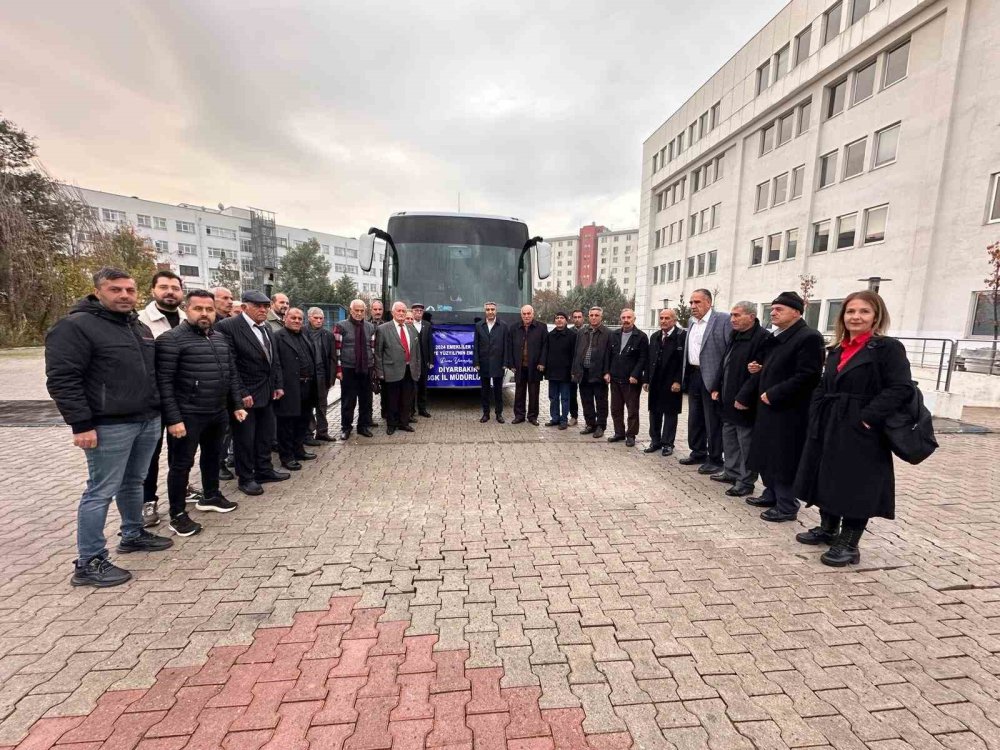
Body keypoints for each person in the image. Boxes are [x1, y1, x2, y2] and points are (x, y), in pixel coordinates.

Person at [46, 267, 173, 588]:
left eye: (129, 290)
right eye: (116, 290)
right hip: (108, 425)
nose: (125, 296)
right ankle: (89, 562)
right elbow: (63, 379)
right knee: (100, 491)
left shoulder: (137, 326)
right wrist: (81, 424)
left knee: (134, 482)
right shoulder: (75, 327)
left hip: (146, 419)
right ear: (98, 291)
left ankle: (132, 534)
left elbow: (152, 373)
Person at [794, 291, 913, 566]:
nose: (856, 317)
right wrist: (816, 409)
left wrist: (868, 417)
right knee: (826, 476)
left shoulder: (886, 348)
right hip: (830, 421)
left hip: (862, 427)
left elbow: (901, 387)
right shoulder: (837, 348)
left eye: (864, 311)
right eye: (850, 311)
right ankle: (827, 528)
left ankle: (849, 543)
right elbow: (825, 384)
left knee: (856, 483)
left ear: (876, 316)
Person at [155, 290, 245, 537]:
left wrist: (236, 404)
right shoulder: (170, 340)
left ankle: (211, 495)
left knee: (212, 457)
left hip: (217, 411)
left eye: (209, 309)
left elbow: (231, 374)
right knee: (181, 465)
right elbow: (164, 382)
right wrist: (173, 419)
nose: (204, 314)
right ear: (187, 309)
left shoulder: (219, 338)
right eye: (198, 309)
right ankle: (178, 514)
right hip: (188, 415)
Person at [741, 292, 825, 522]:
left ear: (796, 312)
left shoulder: (808, 337)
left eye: (779, 309)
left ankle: (787, 505)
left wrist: (775, 393)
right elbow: (775, 365)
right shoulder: (777, 336)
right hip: (768, 406)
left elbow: (808, 375)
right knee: (766, 453)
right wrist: (758, 368)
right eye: (772, 308)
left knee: (783, 457)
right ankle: (771, 494)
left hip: (789, 410)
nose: (773, 312)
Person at [215, 290, 289, 496]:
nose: (263, 310)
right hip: (245, 395)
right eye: (258, 306)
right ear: (245, 307)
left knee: (265, 436)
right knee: (245, 439)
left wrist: (278, 385)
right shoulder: (228, 327)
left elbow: (274, 361)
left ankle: (264, 470)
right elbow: (230, 364)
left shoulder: (266, 329)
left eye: (266, 306)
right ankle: (246, 477)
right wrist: (240, 393)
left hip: (267, 393)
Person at [138, 271, 185, 528]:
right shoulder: (141, 321)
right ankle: (148, 501)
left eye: (175, 288)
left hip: (185, 398)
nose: (170, 292)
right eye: (164, 287)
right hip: (154, 399)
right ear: (153, 290)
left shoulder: (188, 319)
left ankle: (182, 488)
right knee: (150, 455)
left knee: (182, 451)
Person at [710, 302, 769, 497]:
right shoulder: (735, 335)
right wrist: (716, 386)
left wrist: (744, 397)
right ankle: (731, 471)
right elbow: (725, 363)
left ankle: (746, 481)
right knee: (729, 437)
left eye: (737, 315)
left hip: (745, 401)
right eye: (732, 315)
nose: (732, 319)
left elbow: (759, 374)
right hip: (728, 397)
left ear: (751, 317)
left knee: (746, 442)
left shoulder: (762, 338)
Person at [679, 289, 731, 474]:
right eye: (691, 302)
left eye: (697, 302)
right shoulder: (692, 322)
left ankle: (716, 458)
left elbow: (728, 352)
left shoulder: (723, 320)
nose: (693, 306)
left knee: (713, 420)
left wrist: (720, 382)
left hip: (712, 378)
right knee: (695, 417)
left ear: (709, 303)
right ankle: (698, 451)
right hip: (694, 375)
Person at [272, 308, 323, 470]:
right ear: (285, 318)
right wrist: (278, 385)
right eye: (293, 318)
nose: (296, 321)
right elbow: (276, 364)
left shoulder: (304, 335)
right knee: (287, 425)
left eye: (299, 319)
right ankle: (286, 457)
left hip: (307, 386)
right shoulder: (278, 337)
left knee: (303, 421)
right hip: (289, 388)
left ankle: (299, 450)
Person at [375, 301, 422, 434]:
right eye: (398, 311)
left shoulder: (411, 329)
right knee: (392, 400)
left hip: (409, 370)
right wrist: (380, 373)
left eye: (403, 311)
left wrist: (417, 369)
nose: (401, 314)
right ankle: (391, 424)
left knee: (406, 400)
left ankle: (404, 423)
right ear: (392, 312)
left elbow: (416, 352)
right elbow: (378, 353)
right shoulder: (383, 329)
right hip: (391, 371)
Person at [644, 309, 685, 456]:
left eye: (667, 318)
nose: (663, 321)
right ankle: (655, 441)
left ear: (674, 320)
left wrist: (678, 381)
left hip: (671, 382)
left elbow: (683, 363)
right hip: (655, 380)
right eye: (661, 318)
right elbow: (649, 360)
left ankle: (668, 443)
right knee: (654, 412)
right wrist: (646, 379)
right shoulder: (655, 336)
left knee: (670, 413)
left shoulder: (681, 336)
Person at [334, 299, 376, 439]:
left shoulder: (370, 327)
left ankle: (363, 427)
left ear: (365, 311)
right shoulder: (341, 326)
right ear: (350, 310)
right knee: (348, 401)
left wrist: (374, 367)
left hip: (366, 368)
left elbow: (373, 348)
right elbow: (336, 350)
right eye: (356, 310)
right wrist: (338, 369)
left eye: (361, 311)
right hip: (348, 369)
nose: (359, 313)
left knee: (366, 400)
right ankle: (346, 428)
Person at [607, 309, 648, 447]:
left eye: (629, 317)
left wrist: (635, 374)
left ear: (634, 319)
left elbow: (643, 358)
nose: (626, 320)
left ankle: (631, 435)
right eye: (623, 317)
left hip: (631, 380)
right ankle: (619, 433)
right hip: (615, 378)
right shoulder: (614, 335)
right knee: (616, 408)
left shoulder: (641, 337)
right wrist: (607, 372)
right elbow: (609, 355)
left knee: (632, 410)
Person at [571, 306, 612, 439]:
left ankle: (601, 426)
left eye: (596, 315)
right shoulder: (582, 332)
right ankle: (590, 424)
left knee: (601, 401)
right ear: (588, 317)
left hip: (599, 373)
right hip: (584, 373)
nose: (593, 317)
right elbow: (577, 353)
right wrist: (575, 370)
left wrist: (607, 372)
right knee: (586, 400)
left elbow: (609, 355)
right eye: (591, 315)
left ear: (601, 317)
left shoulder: (608, 333)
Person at [211, 286, 236, 480]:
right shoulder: (210, 324)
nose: (229, 302)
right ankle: (217, 464)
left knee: (229, 427)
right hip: (212, 386)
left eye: (231, 298)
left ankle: (224, 460)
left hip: (230, 383)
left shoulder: (228, 323)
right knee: (220, 430)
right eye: (224, 298)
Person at [507, 305, 547, 425]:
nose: (526, 316)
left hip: (535, 366)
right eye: (524, 314)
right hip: (519, 366)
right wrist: (511, 363)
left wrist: (542, 362)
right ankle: (519, 415)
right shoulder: (514, 328)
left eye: (528, 313)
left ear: (533, 314)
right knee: (519, 392)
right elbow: (509, 347)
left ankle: (533, 416)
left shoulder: (541, 327)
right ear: (521, 315)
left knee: (534, 393)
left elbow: (545, 346)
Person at [473, 301, 509, 423]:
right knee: (485, 391)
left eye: (492, 309)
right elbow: (476, 345)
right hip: (484, 363)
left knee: (498, 391)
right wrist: (476, 362)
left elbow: (506, 346)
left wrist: (505, 362)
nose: (490, 312)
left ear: (496, 311)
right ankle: (486, 414)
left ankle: (499, 414)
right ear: (485, 311)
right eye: (488, 309)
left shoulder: (503, 326)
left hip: (499, 364)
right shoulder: (479, 326)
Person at [306, 307, 337, 443]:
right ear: (309, 318)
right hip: (307, 376)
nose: (319, 321)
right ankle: (308, 432)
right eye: (316, 318)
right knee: (307, 405)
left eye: (321, 318)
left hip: (322, 375)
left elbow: (332, 358)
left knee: (322, 405)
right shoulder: (302, 333)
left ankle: (322, 432)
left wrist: (332, 378)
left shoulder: (328, 335)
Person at [542, 312, 576, 429]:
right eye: (557, 318)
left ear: (566, 320)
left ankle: (563, 420)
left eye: (562, 318)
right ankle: (555, 418)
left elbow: (574, 355)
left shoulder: (572, 336)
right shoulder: (550, 335)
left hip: (566, 373)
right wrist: (544, 366)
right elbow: (545, 352)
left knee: (565, 398)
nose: (559, 320)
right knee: (553, 397)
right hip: (552, 372)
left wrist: (573, 371)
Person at [411, 303, 434, 419]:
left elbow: (430, 344)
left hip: (424, 361)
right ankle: (411, 410)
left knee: (422, 387)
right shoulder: (408, 324)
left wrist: (431, 360)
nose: (418, 313)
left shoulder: (427, 325)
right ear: (412, 311)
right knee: (411, 387)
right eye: (416, 310)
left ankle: (422, 409)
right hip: (412, 362)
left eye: (420, 311)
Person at [369, 300, 388, 426]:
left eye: (380, 309)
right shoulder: (365, 324)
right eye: (375, 309)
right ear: (371, 310)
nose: (377, 312)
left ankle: (385, 413)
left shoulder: (387, 325)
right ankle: (368, 418)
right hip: (369, 363)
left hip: (384, 363)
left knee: (386, 391)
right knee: (367, 393)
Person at [568, 309, 585, 426]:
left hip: (585, 368)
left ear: (583, 318)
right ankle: (574, 416)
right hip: (572, 368)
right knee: (572, 394)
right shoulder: (569, 332)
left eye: (579, 317)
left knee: (585, 394)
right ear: (572, 318)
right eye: (575, 317)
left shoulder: (587, 331)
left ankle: (589, 418)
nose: (577, 319)